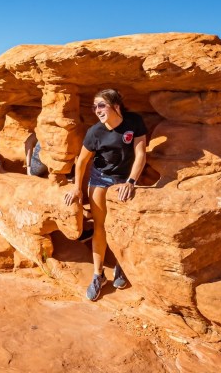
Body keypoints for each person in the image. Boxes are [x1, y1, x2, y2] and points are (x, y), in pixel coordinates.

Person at [63, 89, 147, 301]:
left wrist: (131, 181)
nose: (97, 110)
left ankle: (121, 266)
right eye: (94, 106)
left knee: (121, 226)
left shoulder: (134, 122)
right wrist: (76, 188)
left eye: (101, 105)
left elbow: (140, 154)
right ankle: (98, 275)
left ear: (116, 106)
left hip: (123, 180)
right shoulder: (95, 132)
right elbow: (81, 161)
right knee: (100, 227)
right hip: (100, 179)